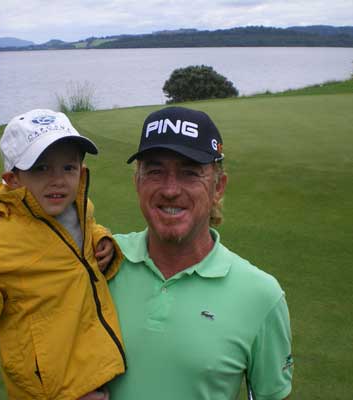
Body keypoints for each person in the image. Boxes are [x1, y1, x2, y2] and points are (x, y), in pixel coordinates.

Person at [0, 109, 126, 400]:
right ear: (13, 179)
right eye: (41, 168)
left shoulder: (79, 209)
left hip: (94, 369)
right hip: (53, 390)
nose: (58, 180)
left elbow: (76, 237)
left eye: (68, 168)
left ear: (81, 172)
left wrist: (100, 237)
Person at [107, 106, 293, 400]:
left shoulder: (261, 296)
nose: (170, 190)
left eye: (190, 173)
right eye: (155, 171)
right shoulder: (98, 261)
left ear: (218, 186)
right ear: (137, 182)